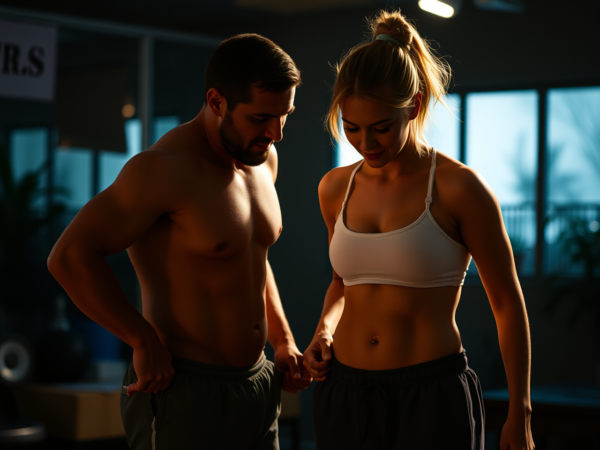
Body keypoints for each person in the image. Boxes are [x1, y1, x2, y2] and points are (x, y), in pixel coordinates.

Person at [48, 33, 311, 450]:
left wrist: (283, 339)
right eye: (261, 118)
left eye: (285, 115)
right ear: (217, 102)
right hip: (183, 389)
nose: (276, 133)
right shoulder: (162, 170)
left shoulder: (262, 161)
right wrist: (141, 338)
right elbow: (69, 256)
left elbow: (251, 257)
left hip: (258, 384)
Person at [303, 9, 534, 450]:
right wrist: (323, 332)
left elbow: (507, 302)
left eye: (381, 128)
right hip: (344, 392)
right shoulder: (335, 187)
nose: (366, 144)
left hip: (430, 396)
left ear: (415, 105)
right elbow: (341, 283)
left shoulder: (458, 188)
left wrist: (519, 412)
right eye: (351, 129)